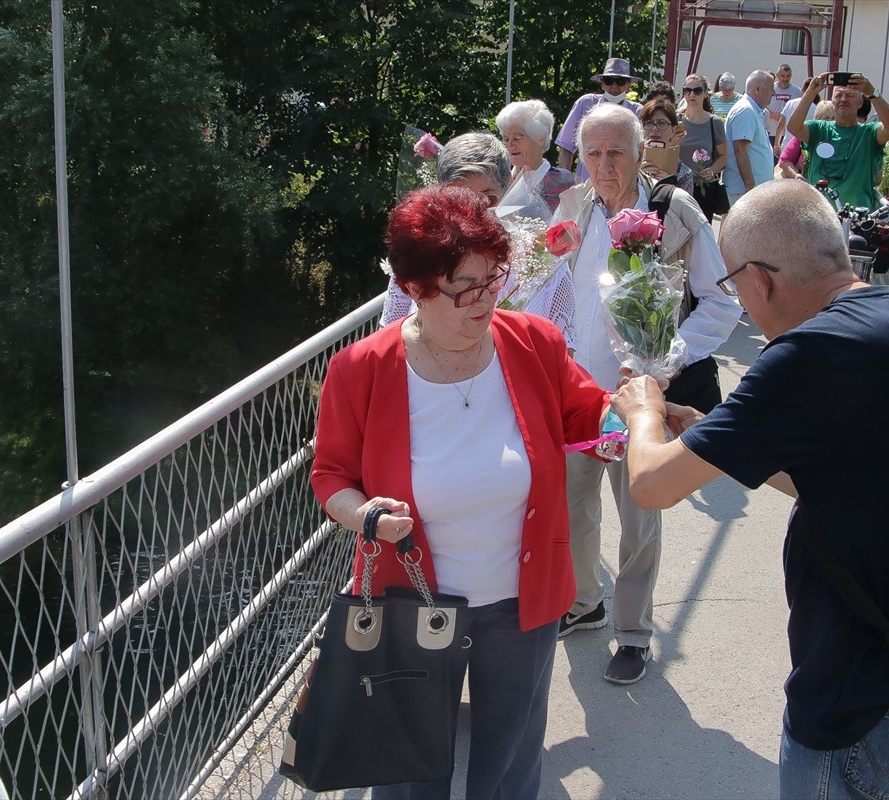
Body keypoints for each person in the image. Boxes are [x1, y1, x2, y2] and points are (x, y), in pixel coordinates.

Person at [609, 179, 889, 800]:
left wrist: (642, 411)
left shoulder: (807, 358)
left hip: (853, 700)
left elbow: (650, 484)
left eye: (733, 287)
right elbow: (835, 475)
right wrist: (714, 438)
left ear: (759, 280)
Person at [311, 185, 612, 800]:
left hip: (522, 602)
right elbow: (331, 476)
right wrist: (365, 515)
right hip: (410, 604)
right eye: (463, 287)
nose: (486, 298)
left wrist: (636, 413)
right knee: (408, 770)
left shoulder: (534, 342)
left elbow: (589, 413)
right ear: (416, 289)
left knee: (510, 761)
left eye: (493, 277)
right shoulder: (360, 369)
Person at [554, 103, 741, 685]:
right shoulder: (573, 205)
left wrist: (664, 364)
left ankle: (633, 633)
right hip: (575, 392)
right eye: (593, 152)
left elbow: (722, 301)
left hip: (636, 397)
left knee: (638, 516)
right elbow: (551, 287)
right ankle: (584, 601)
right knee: (572, 506)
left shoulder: (672, 209)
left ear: (641, 152)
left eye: (616, 151)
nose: (604, 164)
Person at [381, 133, 576, 349]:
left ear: (509, 189)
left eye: (486, 199)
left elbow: (563, 353)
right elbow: (390, 339)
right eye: (459, 200)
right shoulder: (418, 256)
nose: (473, 213)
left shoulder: (544, 260)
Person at [787, 72, 889, 210]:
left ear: (860, 103)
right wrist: (811, 92)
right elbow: (793, 127)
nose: (843, 99)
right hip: (819, 215)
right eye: (838, 95)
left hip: (857, 217)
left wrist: (872, 92)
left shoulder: (869, 133)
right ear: (832, 101)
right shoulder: (819, 129)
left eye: (850, 95)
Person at [556, 57, 643, 181]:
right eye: (609, 81)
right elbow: (566, 148)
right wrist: (565, 182)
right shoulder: (584, 104)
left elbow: (642, 153)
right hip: (586, 183)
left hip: (621, 182)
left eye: (620, 81)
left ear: (629, 85)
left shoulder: (638, 111)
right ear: (602, 83)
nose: (614, 86)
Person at [496, 98, 575, 213]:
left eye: (517, 138)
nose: (509, 144)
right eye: (506, 138)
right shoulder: (499, 178)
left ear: (540, 139)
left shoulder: (561, 181)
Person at [678, 73, 730, 221]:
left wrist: (711, 170)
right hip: (679, 187)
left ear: (706, 93)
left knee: (702, 231)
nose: (691, 94)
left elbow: (723, 156)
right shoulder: (676, 120)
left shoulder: (715, 122)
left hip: (704, 188)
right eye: (687, 90)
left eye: (697, 90)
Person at [723, 70, 775, 204]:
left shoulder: (752, 110)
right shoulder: (746, 110)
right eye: (771, 88)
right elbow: (740, 150)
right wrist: (750, 187)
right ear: (758, 89)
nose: (774, 93)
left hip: (751, 192)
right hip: (745, 192)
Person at [638, 98, 696, 195]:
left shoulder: (684, 174)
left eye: (662, 123)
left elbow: (685, 204)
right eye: (648, 123)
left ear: (673, 130)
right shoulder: (630, 164)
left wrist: (670, 188)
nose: (654, 128)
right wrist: (637, 178)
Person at [778, 102, 835, 180]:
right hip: (805, 184)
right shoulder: (803, 135)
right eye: (826, 118)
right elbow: (785, 160)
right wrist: (796, 175)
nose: (830, 122)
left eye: (833, 118)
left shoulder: (842, 138)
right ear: (817, 119)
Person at [776, 77, 819, 153]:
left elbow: (781, 125)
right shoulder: (816, 108)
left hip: (787, 147)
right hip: (805, 149)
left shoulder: (790, 103)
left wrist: (777, 144)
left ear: (802, 90)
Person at [767, 64, 798, 152]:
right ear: (777, 75)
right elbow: (761, 108)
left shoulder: (797, 92)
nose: (785, 79)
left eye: (788, 76)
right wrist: (773, 115)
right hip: (771, 133)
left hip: (788, 135)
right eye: (783, 76)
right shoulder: (770, 89)